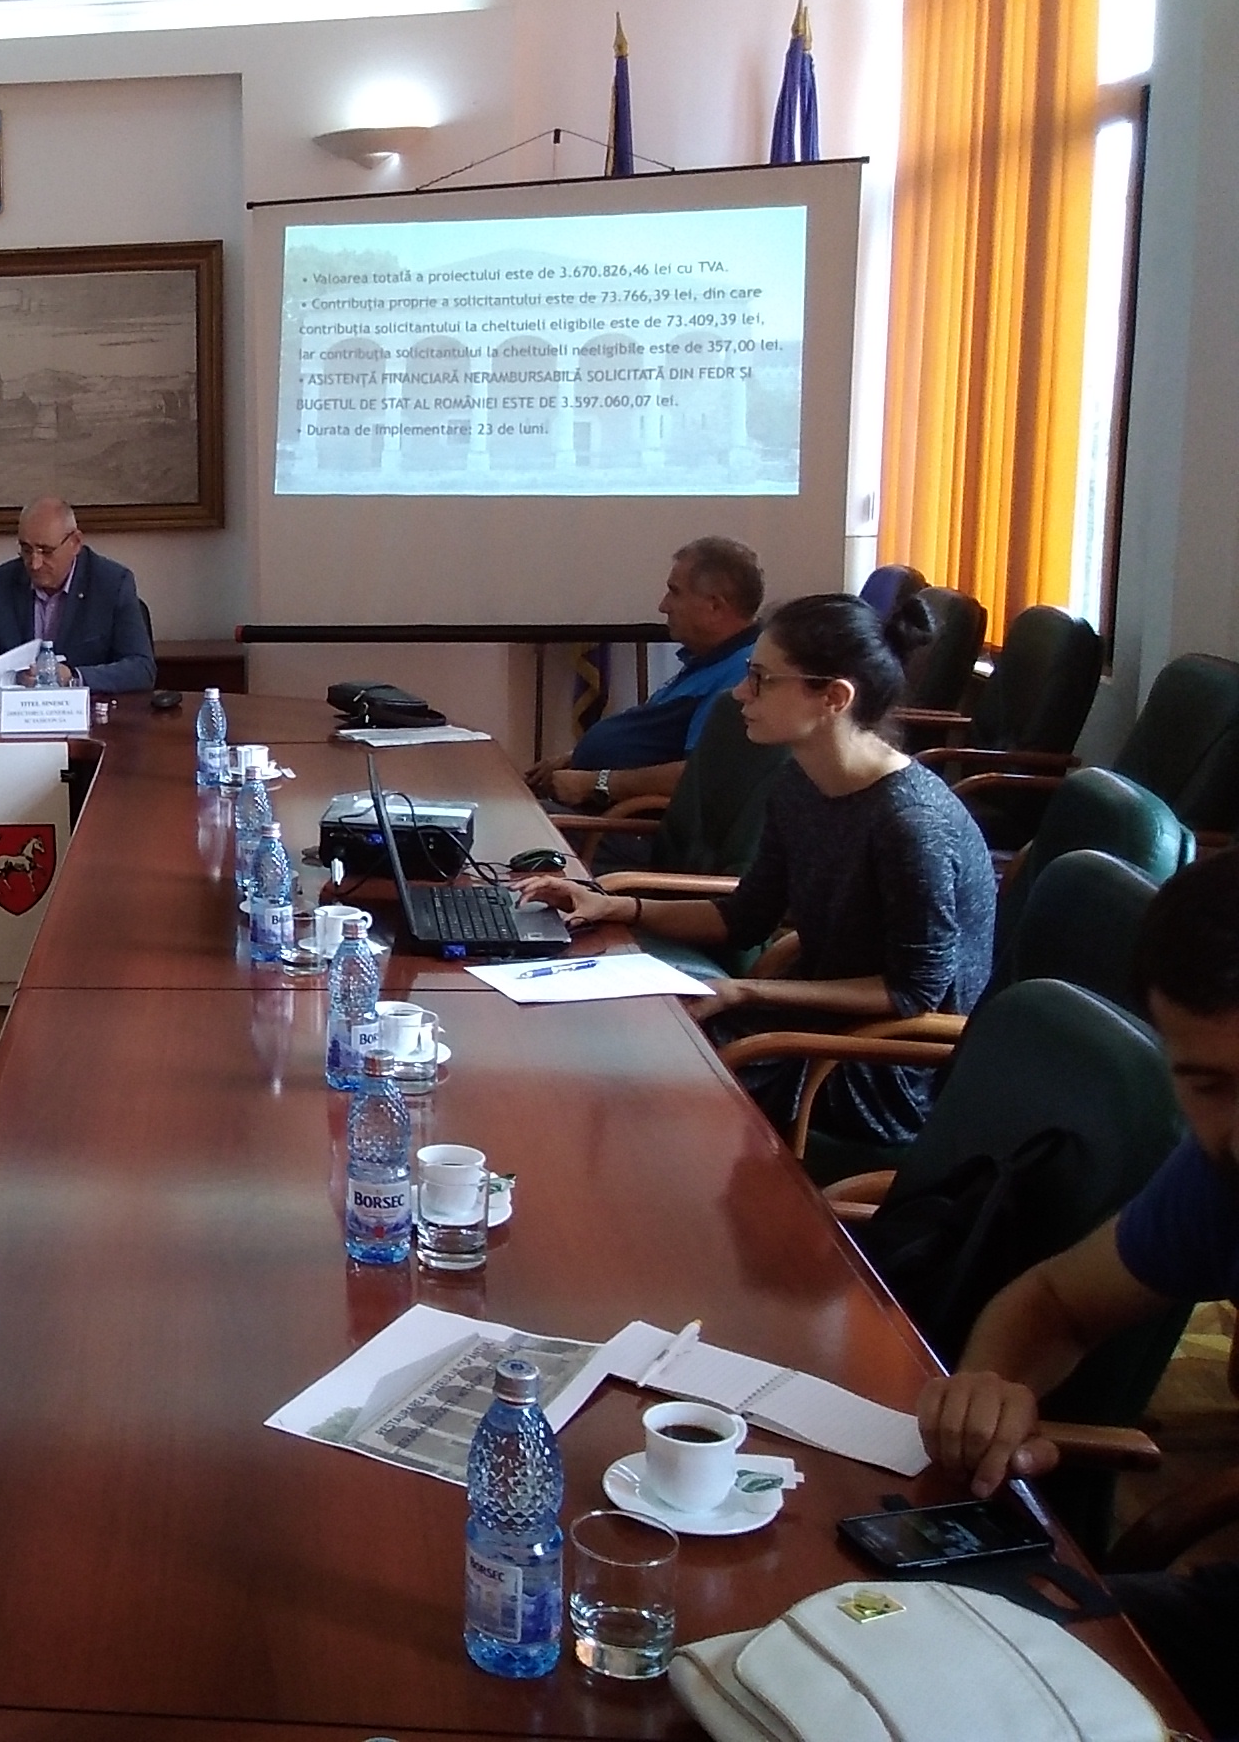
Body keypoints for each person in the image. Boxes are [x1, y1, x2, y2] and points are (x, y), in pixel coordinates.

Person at [916, 851, 1239, 1739]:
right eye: (1209, 1086)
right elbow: (1056, 1301)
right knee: (911, 1659)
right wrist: (993, 1386)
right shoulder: (1217, 1178)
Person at [520, 591, 996, 1158]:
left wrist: (745, 989)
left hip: (876, 1066)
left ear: (834, 698)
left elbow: (912, 995)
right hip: (809, 1022)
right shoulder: (801, 783)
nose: (740, 694)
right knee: (602, 1041)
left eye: (762, 680)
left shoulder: (911, 823)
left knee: (638, 1076)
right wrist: (617, 905)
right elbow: (745, 916)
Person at [525, 536, 763, 810]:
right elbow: (653, 747)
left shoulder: (741, 673)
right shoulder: (707, 660)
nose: (663, 606)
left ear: (715, 606)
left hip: (624, 823)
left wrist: (596, 782)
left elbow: (700, 774)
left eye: (674, 592)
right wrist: (575, 757)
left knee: (507, 819)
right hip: (597, 806)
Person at [0, 496, 156, 695]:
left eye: (46, 551)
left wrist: (73, 677)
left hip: (89, 715)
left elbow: (142, 668)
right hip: (12, 715)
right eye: (26, 550)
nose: (35, 564)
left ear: (75, 543)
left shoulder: (112, 583)